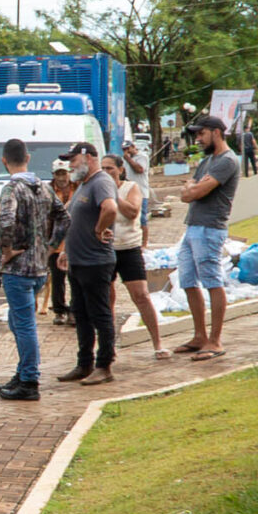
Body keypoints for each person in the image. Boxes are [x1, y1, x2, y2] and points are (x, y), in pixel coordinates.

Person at [0, 138, 59, 403]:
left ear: (4, 160)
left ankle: (30, 379)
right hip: (39, 266)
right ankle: (23, 372)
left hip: (19, 269)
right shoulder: (44, 188)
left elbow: (6, 221)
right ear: (28, 158)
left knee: (25, 324)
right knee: (17, 321)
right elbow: (64, 217)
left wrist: (5, 251)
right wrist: (49, 246)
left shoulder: (11, 189)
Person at [175, 113, 240, 360]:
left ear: (216, 132)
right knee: (188, 280)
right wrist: (192, 189)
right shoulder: (207, 162)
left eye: (201, 133)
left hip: (210, 229)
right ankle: (199, 335)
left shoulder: (227, 161)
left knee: (212, 281)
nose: (198, 139)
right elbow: (187, 192)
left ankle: (215, 340)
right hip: (192, 227)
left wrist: (193, 189)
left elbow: (195, 191)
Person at [58, 143, 119, 386]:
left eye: (73, 160)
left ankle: (104, 366)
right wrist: (65, 250)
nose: (70, 165)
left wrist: (99, 229)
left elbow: (111, 208)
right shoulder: (84, 184)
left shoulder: (101, 181)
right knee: (81, 315)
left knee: (100, 315)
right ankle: (85, 363)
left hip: (95, 262)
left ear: (87, 157)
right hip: (78, 262)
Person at [100, 153, 164, 360]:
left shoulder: (130, 188)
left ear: (120, 169)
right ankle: (108, 348)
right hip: (106, 249)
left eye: (110, 168)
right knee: (106, 300)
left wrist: (113, 195)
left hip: (129, 248)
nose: (106, 172)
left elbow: (132, 212)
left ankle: (158, 343)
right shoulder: (98, 190)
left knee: (141, 296)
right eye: (103, 168)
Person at [48, 164, 76, 324]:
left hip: (74, 241)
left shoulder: (78, 187)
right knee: (57, 279)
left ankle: (73, 311)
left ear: (69, 174)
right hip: (55, 241)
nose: (61, 178)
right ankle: (59, 311)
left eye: (63, 173)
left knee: (74, 278)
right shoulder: (48, 190)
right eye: (58, 174)